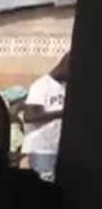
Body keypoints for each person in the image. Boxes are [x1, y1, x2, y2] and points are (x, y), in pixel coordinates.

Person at [23, 52, 69, 182]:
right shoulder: (42, 85)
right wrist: (62, 113)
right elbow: (30, 116)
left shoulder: (64, 87)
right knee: (43, 192)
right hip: (42, 150)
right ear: (66, 66)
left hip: (57, 148)